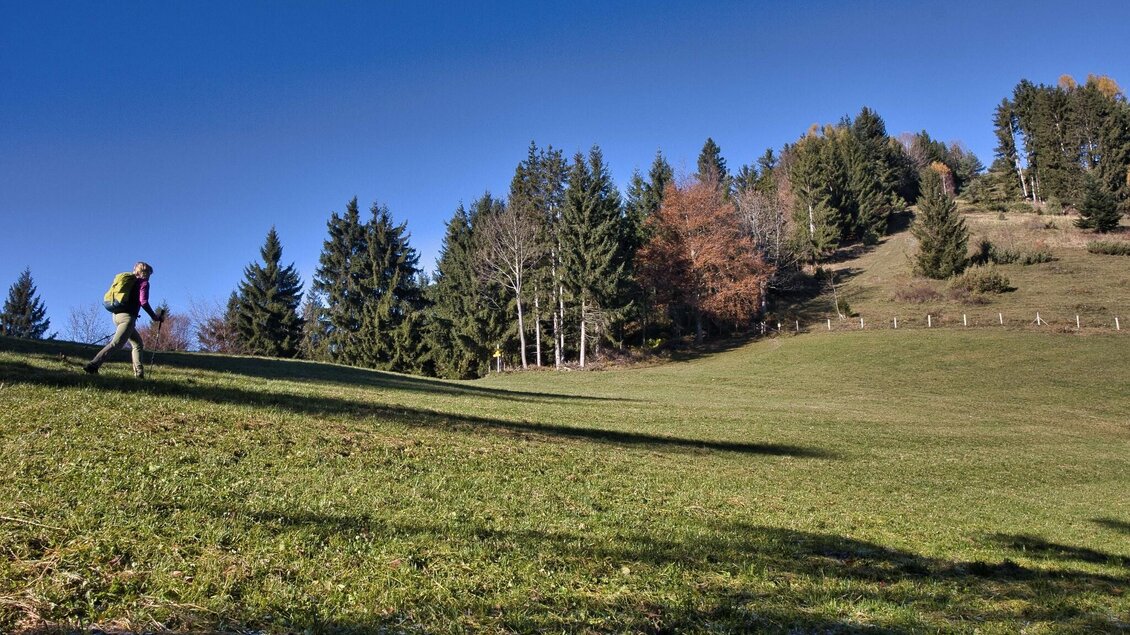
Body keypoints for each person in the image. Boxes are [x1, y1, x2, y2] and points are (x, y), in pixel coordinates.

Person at [84, 261, 164, 378]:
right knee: (116, 344)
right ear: (145, 273)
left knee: (137, 343)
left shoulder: (129, 281)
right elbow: (144, 302)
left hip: (116, 315)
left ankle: (139, 374)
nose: (149, 276)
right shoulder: (143, 283)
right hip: (127, 318)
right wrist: (154, 317)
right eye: (149, 274)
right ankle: (93, 365)